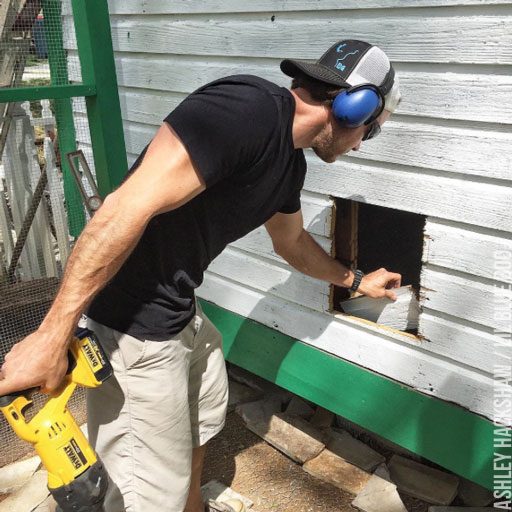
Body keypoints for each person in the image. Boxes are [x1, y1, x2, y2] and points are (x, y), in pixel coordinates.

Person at [0, 40, 402, 512]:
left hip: (179, 310)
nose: (359, 147)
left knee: (205, 414)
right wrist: (51, 337)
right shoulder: (244, 109)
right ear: (357, 108)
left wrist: (355, 282)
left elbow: (292, 243)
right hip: (135, 327)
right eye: (368, 134)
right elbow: (123, 207)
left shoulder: (287, 164)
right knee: (145, 497)